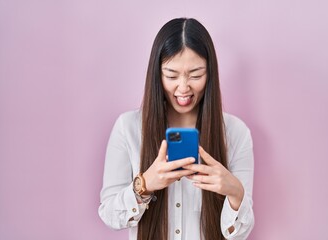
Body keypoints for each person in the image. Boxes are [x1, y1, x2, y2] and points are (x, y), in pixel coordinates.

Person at [98, 18, 254, 240]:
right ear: (157, 74)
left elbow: (237, 235)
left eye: (196, 75)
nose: (183, 87)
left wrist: (235, 192)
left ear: (210, 73)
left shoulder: (236, 133)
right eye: (171, 75)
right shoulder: (128, 128)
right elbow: (109, 215)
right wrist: (145, 185)